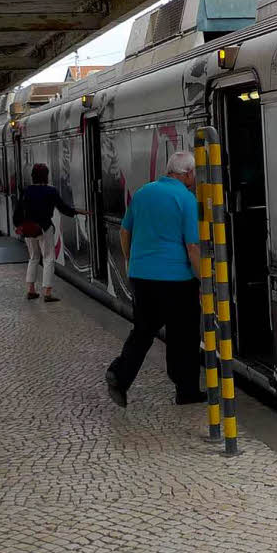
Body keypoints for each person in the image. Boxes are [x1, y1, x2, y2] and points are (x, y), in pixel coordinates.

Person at [105, 151, 203, 409]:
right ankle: (187, 390)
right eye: (194, 173)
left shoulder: (142, 193)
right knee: (184, 334)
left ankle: (120, 375)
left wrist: (131, 261)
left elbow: (125, 232)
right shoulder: (187, 199)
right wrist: (205, 278)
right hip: (176, 279)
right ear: (188, 174)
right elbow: (192, 246)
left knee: (143, 331)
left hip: (142, 276)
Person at [15, 162, 77, 302]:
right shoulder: (51, 191)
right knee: (48, 258)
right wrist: (75, 212)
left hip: (28, 229)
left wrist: (18, 225)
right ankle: (47, 292)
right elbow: (62, 207)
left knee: (33, 257)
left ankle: (31, 289)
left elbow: (17, 211)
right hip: (44, 228)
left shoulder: (26, 190)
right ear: (46, 176)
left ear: (33, 176)